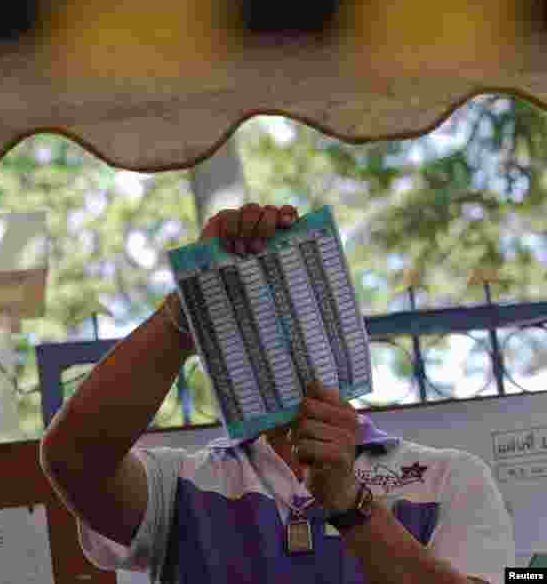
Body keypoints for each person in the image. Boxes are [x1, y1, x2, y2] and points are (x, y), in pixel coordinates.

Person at [39, 203, 516, 584]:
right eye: (241, 311)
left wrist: (351, 504)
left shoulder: (447, 478)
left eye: (299, 302)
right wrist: (189, 303)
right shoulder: (183, 483)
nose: (281, 333)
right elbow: (73, 458)